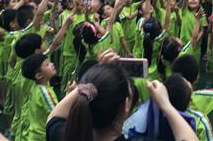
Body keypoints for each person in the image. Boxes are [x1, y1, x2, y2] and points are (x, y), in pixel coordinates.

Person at [46, 55, 197, 141]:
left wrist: (96, 76)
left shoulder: (66, 135)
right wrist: (166, 105)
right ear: (126, 105)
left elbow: (54, 117)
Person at [21, 53, 58, 141]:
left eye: (50, 62)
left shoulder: (36, 87)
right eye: (47, 64)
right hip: (42, 136)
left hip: (35, 134)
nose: (52, 64)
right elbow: (57, 112)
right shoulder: (45, 92)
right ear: (39, 75)